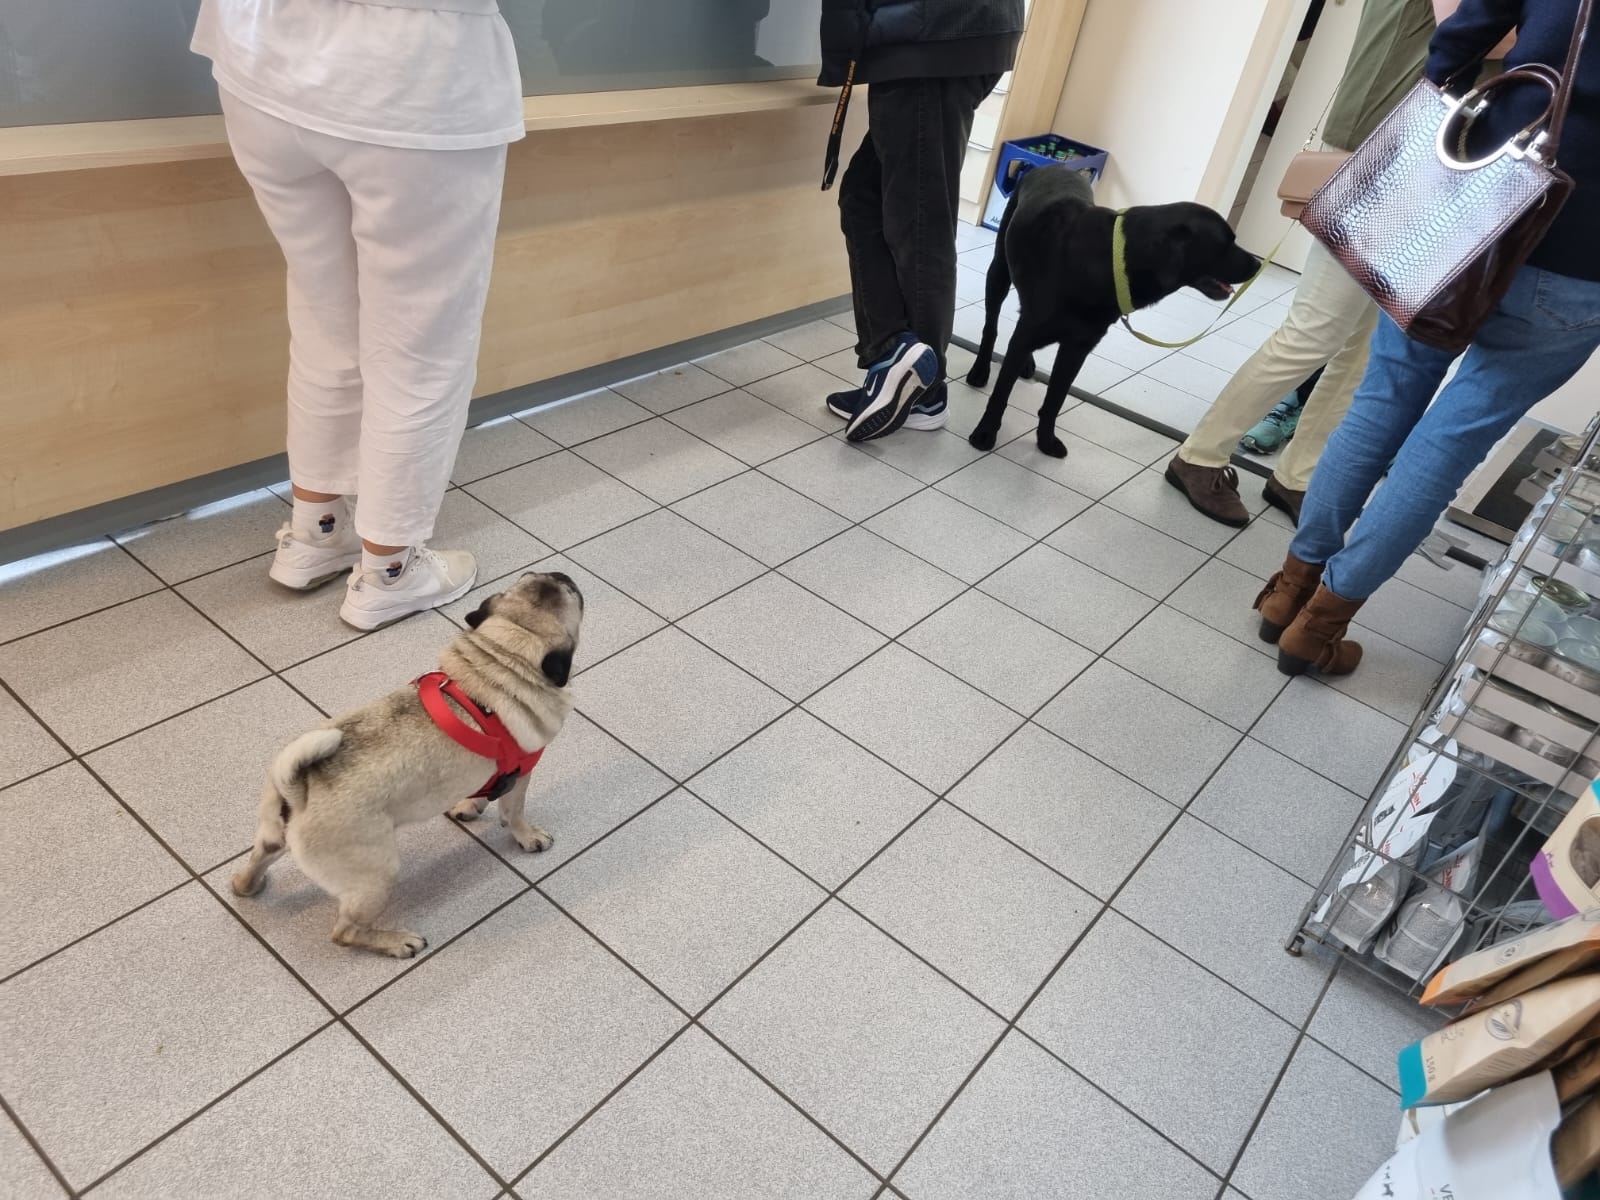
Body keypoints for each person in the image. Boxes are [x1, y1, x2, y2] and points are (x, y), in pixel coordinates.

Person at [1257, 0, 1600, 679]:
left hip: (1476, 197)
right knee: (1450, 442)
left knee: (1380, 398)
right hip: (1582, 252)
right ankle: (1319, 627)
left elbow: (1463, 34)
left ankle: (1287, 590)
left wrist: (1444, 116)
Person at [191, 0, 522, 630]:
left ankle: (316, 533)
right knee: (422, 347)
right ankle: (390, 571)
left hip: (261, 56)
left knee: (324, 318)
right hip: (412, 74)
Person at [1166, 0, 1506, 529]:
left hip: (1433, 157)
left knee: (1365, 345)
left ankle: (1298, 475)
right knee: (1316, 331)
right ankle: (1200, 456)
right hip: (1383, 150)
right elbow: (1480, 30)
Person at [817, 0, 1025, 443]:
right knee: (864, 199)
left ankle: (922, 390)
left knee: (920, 225)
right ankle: (895, 357)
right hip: (945, 31)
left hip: (928, 36)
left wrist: (848, 41)